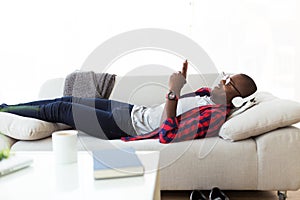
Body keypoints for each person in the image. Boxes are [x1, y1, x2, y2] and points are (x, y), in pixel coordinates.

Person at [0, 61, 257, 143]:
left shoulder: (214, 116)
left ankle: (4, 109)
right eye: (225, 76)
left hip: (126, 126)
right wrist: (182, 83)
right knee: (67, 100)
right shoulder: (207, 96)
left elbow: (167, 135)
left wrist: (173, 93)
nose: (222, 80)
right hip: (132, 111)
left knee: (60, 109)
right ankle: (9, 107)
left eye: (228, 82)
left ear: (238, 95)